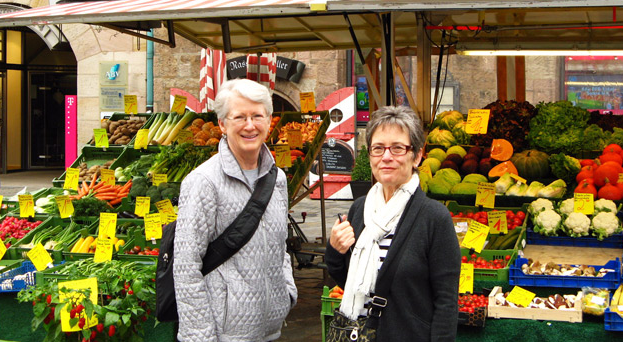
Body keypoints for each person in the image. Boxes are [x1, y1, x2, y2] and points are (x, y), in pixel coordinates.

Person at [173, 78, 297, 341]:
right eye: (239, 117)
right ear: (222, 124)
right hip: (224, 333)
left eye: (257, 116)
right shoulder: (203, 182)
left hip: (269, 329)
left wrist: (286, 292)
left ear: (268, 120)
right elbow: (185, 267)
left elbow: (280, 246)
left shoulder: (278, 180)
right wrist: (199, 336)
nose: (250, 126)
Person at [325, 105, 460, 341]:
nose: (386, 157)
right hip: (360, 334)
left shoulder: (434, 218)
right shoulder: (360, 209)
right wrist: (336, 250)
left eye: (398, 148)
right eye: (378, 148)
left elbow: (446, 301)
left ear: (416, 155)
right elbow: (348, 280)